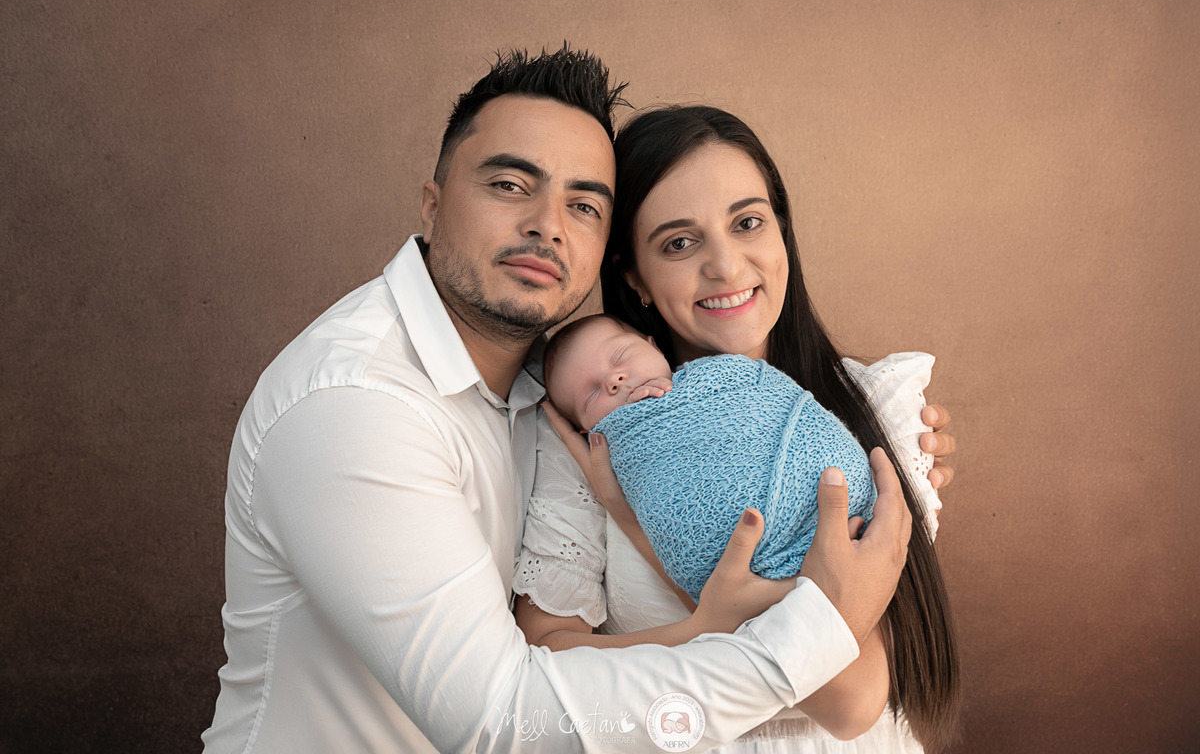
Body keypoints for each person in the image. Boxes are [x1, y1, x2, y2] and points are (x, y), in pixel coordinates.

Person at [201, 48, 924, 752]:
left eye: (582, 205)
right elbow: (503, 723)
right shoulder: (356, 407)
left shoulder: (561, 391)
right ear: (431, 204)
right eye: (510, 184)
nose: (547, 225)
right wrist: (800, 632)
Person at [514, 105, 961, 752]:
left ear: (782, 233)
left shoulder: (872, 407)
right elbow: (541, 664)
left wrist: (637, 524)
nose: (725, 266)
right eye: (678, 242)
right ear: (634, 277)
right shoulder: (589, 433)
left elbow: (852, 700)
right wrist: (702, 623)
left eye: (748, 222)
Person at [541, 314, 938, 602]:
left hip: (844, 512)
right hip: (755, 577)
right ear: (586, 432)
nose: (614, 380)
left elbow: (773, 401)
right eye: (591, 394)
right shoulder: (614, 462)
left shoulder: (720, 377)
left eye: (620, 356)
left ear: (653, 346)